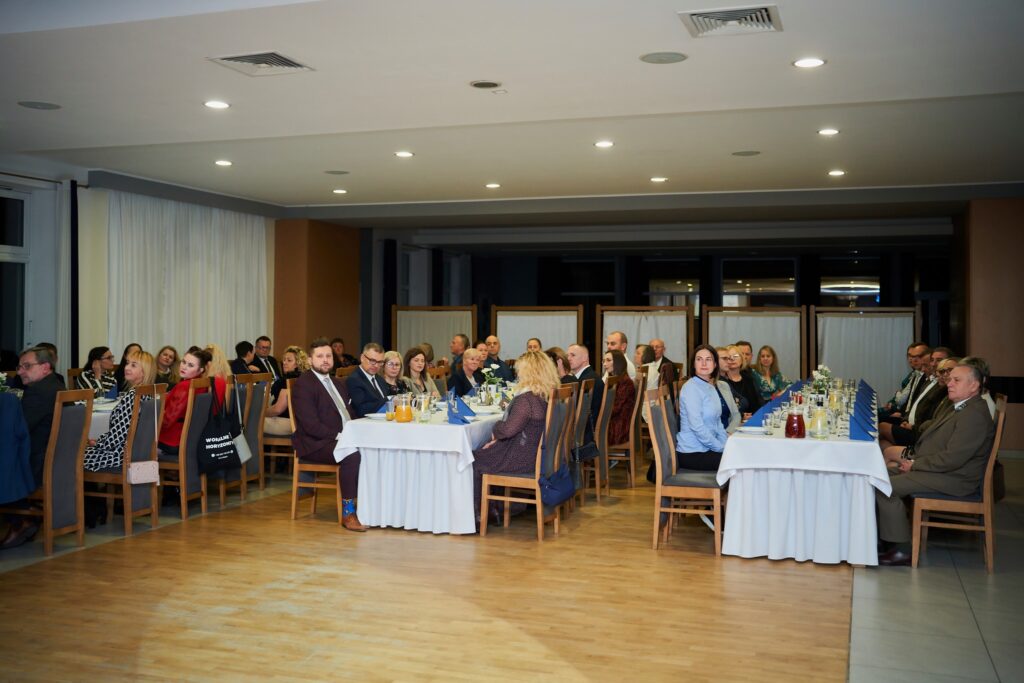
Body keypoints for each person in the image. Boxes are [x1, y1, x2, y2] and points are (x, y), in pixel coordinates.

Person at [876, 359, 997, 566]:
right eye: (950, 379)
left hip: (956, 479)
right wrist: (914, 459)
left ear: (974, 385)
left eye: (957, 380)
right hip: (940, 469)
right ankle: (882, 537)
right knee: (878, 477)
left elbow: (953, 459)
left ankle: (899, 550)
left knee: (884, 487)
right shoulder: (960, 406)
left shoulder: (974, 415)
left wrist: (914, 464)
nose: (949, 383)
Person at [471, 350, 559, 523]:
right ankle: (496, 508)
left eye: (519, 370)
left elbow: (507, 430)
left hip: (524, 459)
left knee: (475, 459)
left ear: (528, 372)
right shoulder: (545, 395)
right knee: (487, 453)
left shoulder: (526, 399)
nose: (517, 373)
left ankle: (483, 515)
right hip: (538, 456)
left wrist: (496, 427)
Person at [290, 338, 366, 532]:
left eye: (328, 356)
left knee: (373, 450)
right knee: (351, 455)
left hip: (340, 437)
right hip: (315, 443)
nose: (325, 360)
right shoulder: (304, 384)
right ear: (310, 360)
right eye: (320, 356)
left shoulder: (337, 383)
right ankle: (348, 513)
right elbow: (310, 425)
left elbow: (349, 413)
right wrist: (341, 436)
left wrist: (361, 429)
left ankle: (368, 506)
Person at [2, 346, 66, 549]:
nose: (20, 372)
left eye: (27, 366)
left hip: (37, 464)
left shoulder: (39, 393)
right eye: (19, 367)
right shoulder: (57, 386)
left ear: (45, 367)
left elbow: (19, 429)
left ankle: (21, 519)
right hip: (56, 459)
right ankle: (24, 516)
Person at [83, 350, 156, 472]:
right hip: (137, 453)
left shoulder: (133, 395)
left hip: (119, 456)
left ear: (145, 371)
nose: (127, 367)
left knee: (72, 455)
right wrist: (101, 440)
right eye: (127, 363)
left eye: (133, 365)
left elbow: (118, 436)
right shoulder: (149, 393)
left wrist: (98, 444)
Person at [158, 346, 226, 454]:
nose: (184, 367)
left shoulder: (184, 386)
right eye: (183, 362)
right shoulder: (202, 384)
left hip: (173, 441)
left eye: (190, 365)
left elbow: (167, 421)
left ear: (201, 370)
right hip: (193, 439)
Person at [674, 345, 731, 472]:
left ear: (715, 364)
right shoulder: (691, 388)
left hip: (709, 449)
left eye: (708, 359)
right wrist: (720, 447)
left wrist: (724, 444)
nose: (704, 363)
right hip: (692, 452)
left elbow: (718, 422)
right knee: (736, 461)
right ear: (694, 364)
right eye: (699, 359)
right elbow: (697, 427)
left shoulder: (710, 387)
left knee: (738, 455)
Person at [264, 345, 309, 436]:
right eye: (284, 360)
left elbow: (278, 409)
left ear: (298, 363)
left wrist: (262, 413)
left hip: (292, 423)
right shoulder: (306, 378)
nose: (284, 363)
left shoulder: (289, 380)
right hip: (304, 423)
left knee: (250, 421)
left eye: (289, 360)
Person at [567, 344, 604, 440]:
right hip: (590, 428)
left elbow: (575, 410)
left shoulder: (586, 381)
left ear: (584, 358)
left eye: (573, 355)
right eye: (567, 355)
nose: (568, 358)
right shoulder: (590, 376)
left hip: (585, 433)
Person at [720, 344, 763, 418]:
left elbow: (757, 404)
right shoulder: (721, 381)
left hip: (752, 419)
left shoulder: (749, 379)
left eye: (735, 356)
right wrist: (742, 416)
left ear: (742, 359)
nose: (732, 359)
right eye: (729, 357)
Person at [345, 342, 388, 417]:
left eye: (380, 362)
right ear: (362, 358)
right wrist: (388, 401)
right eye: (372, 361)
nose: (376, 365)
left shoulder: (380, 380)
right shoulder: (354, 380)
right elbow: (361, 409)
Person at [602, 350, 636, 445]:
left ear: (618, 362)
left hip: (619, 428)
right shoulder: (615, 379)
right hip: (615, 422)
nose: (604, 364)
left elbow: (616, 408)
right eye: (604, 361)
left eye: (608, 360)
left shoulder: (626, 382)